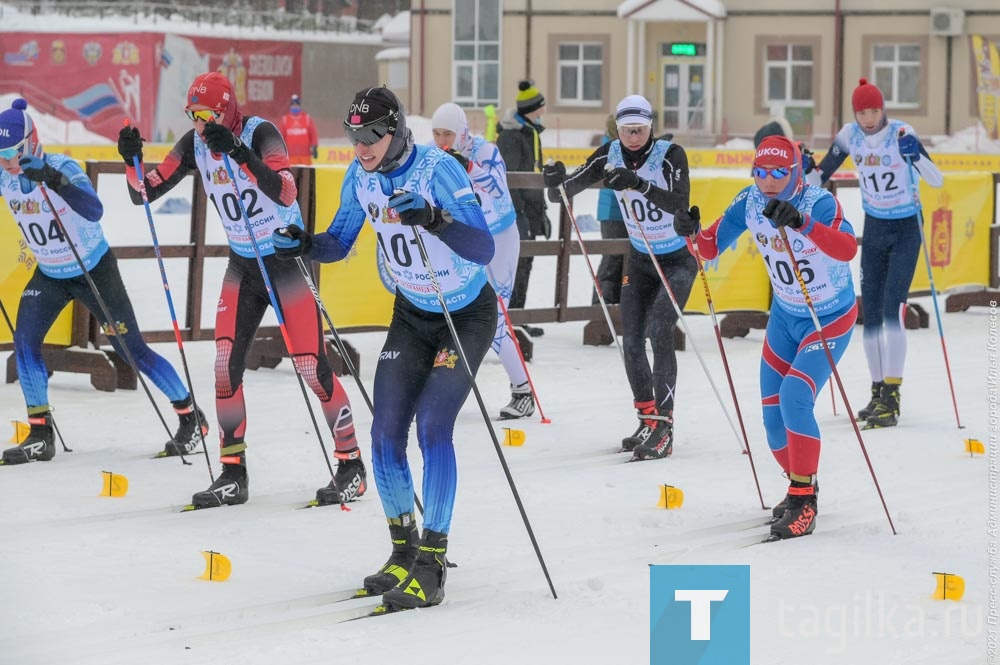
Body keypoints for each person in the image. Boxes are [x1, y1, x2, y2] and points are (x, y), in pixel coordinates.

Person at [271, 86, 495, 611]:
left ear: (396, 130)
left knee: (433, 426)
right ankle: (403, 549)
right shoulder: (359, 177)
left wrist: (435, 219)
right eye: (354, 135)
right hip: (413, 314)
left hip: (464, 312)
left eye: (373, 134)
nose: (363, 145)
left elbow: (483, 247)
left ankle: (433, 563)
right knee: (385, 431)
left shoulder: (438, 169)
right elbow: (338, 243)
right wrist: (303, 243)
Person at [116, 72, 365, 509]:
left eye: (207, 115)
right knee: (224, 364)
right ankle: (233, 473)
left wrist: (238, 153)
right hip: (243, 265)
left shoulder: (260, 132)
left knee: (309, 364)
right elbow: (143, 193)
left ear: (227, 109)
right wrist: (130, 161)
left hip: (284, 260)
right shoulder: (194, 143)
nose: (199, 125)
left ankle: (351, 464)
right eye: (193, 116)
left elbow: (287, 193)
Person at [0, 98, 206, 464]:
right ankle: (40, 433)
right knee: (25, 342)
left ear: (31, 142)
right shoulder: (3, 174)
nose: (6, 162)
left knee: (132, 350)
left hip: (93, 270)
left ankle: (191, 418)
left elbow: (94, 209)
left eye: (12, 153)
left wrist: (53, 179)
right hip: (49, 274)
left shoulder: (62, 166)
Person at [675, 135, 858, 539]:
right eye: (761, 172)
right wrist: (690, 230)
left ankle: (803, 498)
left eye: (779, 173)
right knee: (773, 421)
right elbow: (707, 248)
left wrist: (802, 223)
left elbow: (847, 249)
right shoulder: (750, 202)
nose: (769, 181)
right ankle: (800, 484)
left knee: (796, 395)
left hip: (828, 316)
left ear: (795, 172)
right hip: (785, 317)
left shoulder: (819, 203)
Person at [542, 95, 697, 461]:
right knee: (630, 338)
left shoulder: (670, 155)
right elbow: (564, 191)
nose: (632, 138)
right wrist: (553, 182)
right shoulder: (608, 153)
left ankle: (665, 425)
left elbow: (680, 203)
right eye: (626, 131)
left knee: (660, 330)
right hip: (641, 259)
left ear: (650, 128)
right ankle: (646, 416)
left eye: (639, 130)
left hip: (676, 259)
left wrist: (639, 184)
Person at [816, 78, 943, 429]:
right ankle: (877, 391)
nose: (869, 118)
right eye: (862, 112)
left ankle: (893, 393)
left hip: (905, 228)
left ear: (883, 108)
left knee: (892, 309)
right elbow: (820, 175)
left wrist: (915, 154)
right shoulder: (850, 135)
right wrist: (802, 168)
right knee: (869, 312)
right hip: (874, 228)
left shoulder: (901, 132)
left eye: (874, 110)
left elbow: (936, 180)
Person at [430, 101, 533, 419]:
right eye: (436, 134)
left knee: (496, 318)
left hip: (500, 237)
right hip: (468, 239)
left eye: (448, 133)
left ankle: (522, 391)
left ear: (461, 131)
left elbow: (499, 189)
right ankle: (440, 387)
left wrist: (468, 167)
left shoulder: (485, 151)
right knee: (451, 310)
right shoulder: (436, 156)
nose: (443, 141)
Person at [496, 80, 550, 335]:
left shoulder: (529, 132)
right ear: (531, 109)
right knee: (515, 266)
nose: (543, 112)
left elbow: (533, 175)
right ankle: (509, 320)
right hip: (517, 215)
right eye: (540, 108)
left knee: (525, 264)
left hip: (529, 212)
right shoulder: (511, 136)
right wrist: (519, 216)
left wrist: (542, 212)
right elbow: (511, 180)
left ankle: (517, 319)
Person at [594, 114, 628, 306]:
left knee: (622, 260)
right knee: (611, 259)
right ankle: (600, 305)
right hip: (613, 213)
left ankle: (614, 303)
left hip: (623, 212)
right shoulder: (611, 148)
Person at [278, 94, 319, 166]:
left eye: (297, 104)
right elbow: (280, 137)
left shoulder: (307, 118)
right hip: (290, 157)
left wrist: (314, 146)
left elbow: (313, 134)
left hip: (305, 156)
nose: (295, 106)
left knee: (306, 175)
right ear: (290, 106)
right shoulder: (285, 119)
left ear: (300, 106)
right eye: (293, 105)